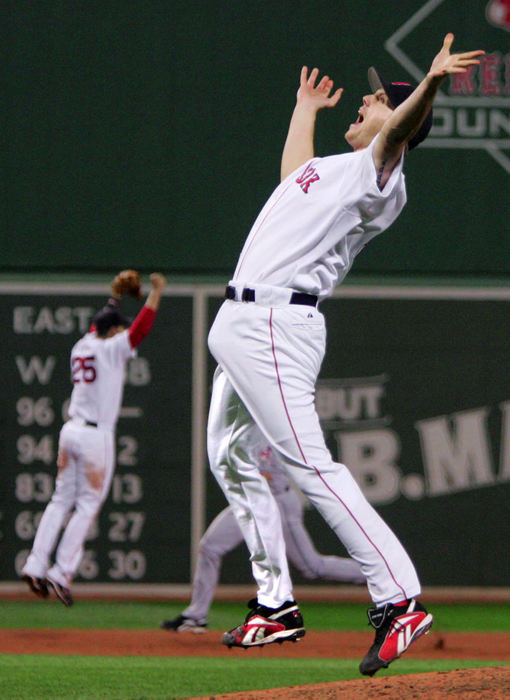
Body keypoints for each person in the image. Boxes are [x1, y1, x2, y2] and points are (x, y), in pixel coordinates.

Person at [205, 34, 484, 676]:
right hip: (243, 322)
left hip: (276, 322)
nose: (366, 99)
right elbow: (289, 182)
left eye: (381, 99)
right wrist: (304, 111)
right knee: (227, 452)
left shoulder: (380, 172)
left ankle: (398, 598)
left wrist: (431, 83)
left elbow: (399, 130)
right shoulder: (333, 171)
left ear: (403, 123)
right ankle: (276, 604)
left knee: (310, 465)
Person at [21, 272, 166, 606]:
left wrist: (114, 297)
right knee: (87, 505)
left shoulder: (82, 345)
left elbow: (100, 324)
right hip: (95, 438)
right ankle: (60, 574)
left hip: (70, 431)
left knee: (60, 501)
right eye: (119, 326)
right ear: (112, 330)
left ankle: (35, 563)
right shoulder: (112, 348)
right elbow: (140, 329)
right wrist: (156, 293)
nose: (122, 330)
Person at [161, 427, 365, 633]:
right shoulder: (239, 422)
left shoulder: (271, 424)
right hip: (249, 501)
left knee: (312, 567)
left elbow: (266, 473)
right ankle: (196, 616)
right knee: (209, 547)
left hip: (278, 502)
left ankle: (377, 574)